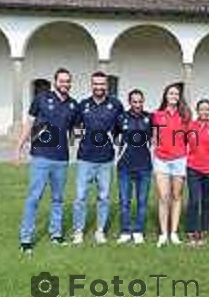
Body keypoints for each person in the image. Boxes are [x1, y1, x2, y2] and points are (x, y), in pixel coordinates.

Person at [15, 68, 78, 253]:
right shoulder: (41, 99)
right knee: (34, 198)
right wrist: (19, 147)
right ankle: (26, 239)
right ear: (55, 81)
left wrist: (76, 144)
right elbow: (30, 124)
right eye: (62, 81)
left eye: (68, 81)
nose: (65, 84)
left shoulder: (73, 105)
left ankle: (56, 235)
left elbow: (73, 131)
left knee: (58, 199)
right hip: (41, 156)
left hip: (61, 159)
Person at [72, 71, 124, 245]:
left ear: (106, 86)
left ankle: (100, 230)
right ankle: (78, 231)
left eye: (102, 84)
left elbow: (121, 128)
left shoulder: (115, 105)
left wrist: (116, 142)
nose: (99, 87)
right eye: (96, 84)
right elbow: (75, 127)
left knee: (104, 197)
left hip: (106, 159)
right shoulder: (83, 105)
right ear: (91, 85)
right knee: (80, 196)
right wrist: (79, 136)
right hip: (85, 158)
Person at [151, 83, 191, 248]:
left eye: (176, 94)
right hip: (162, 160)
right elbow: (154, 137)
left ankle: (173, 232)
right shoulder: (157, 115)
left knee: (176, 196)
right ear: (165, 96)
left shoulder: (185, 116)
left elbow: (189, 138)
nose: (173, 96)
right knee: (163, 196)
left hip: (179, 160)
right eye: (170, 93)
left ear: (179, 97)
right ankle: (163, 233)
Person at [116, 89, 153, 245]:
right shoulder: (121, 118)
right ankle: (125, 231)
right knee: (125, 200)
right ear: (129, 102)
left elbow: (153, 138)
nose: (137, 104)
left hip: (144, 166)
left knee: (142, 201)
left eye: (140, 101)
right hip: (124, 166)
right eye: (134, 101)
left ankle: (138, 231)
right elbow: (115, 137)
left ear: (143, 101)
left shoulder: (149, 118)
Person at [185, 99, 209, 246]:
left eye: (207, 109)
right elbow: (181, 143)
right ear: (197, 111)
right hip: (193, 168)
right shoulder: (190, 126)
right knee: (194, 200)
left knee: (207, 201)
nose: (204, 112)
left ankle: (204, 228)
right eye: (201, 109)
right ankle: (191, 229)